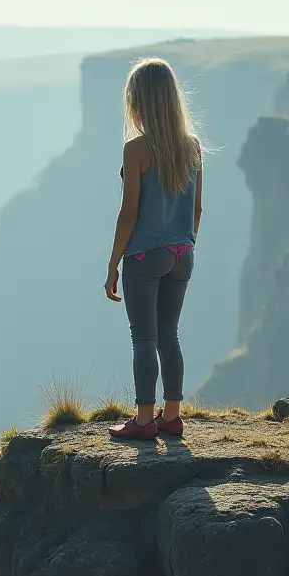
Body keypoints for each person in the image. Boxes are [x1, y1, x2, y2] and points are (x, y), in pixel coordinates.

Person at [104, 57, 203, 440]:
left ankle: (144, 419)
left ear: (138, 104)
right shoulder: (192, 147)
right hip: (182, 253)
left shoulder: (137, 149)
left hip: (145, 256)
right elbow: (196, 208)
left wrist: (114, 263)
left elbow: (129, 213)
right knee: (170, 335)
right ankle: (172, 415)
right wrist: (185, 244)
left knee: (143, 339)